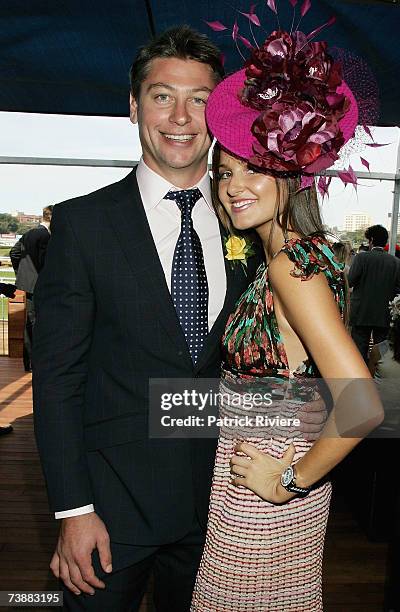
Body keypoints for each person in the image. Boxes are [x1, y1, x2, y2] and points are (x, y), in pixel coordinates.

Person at [33, 26, 326, 612]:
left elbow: (289, 371)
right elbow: (58, 379)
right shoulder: (83, 225)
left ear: (220, 113)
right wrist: (73, 509)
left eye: (199, 99)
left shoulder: (255, 224)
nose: (181, 117)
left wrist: (291, 460)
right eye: (163, 95)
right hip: (109, 514)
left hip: (224, 512)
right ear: (134, 106)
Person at [190, 21, 384, 611]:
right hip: (267, 475)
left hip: (264, 491)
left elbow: (361, 404)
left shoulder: (289, 268)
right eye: (223, 173)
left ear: (290, 173)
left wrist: (288, 480)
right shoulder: (301, 255)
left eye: (249, 168)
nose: (231, 187)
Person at [10, 205, 53, 371]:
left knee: (29, 324)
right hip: (40, 288)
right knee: (38, 324)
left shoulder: (29, 233)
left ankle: (29, 363)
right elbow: (45, 263)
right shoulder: (45, 236)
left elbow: (14, 253)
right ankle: (38, 363)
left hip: (27, 286)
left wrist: (22, 275)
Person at [349, 224, 400, 362]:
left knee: (359, 351)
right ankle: (377, 378)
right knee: (382, 352)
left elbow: (350, 281)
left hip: (361, 312)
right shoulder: (395, 262)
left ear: (371, 240)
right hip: (384, 314)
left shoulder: (361, 258)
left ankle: (360, 378)